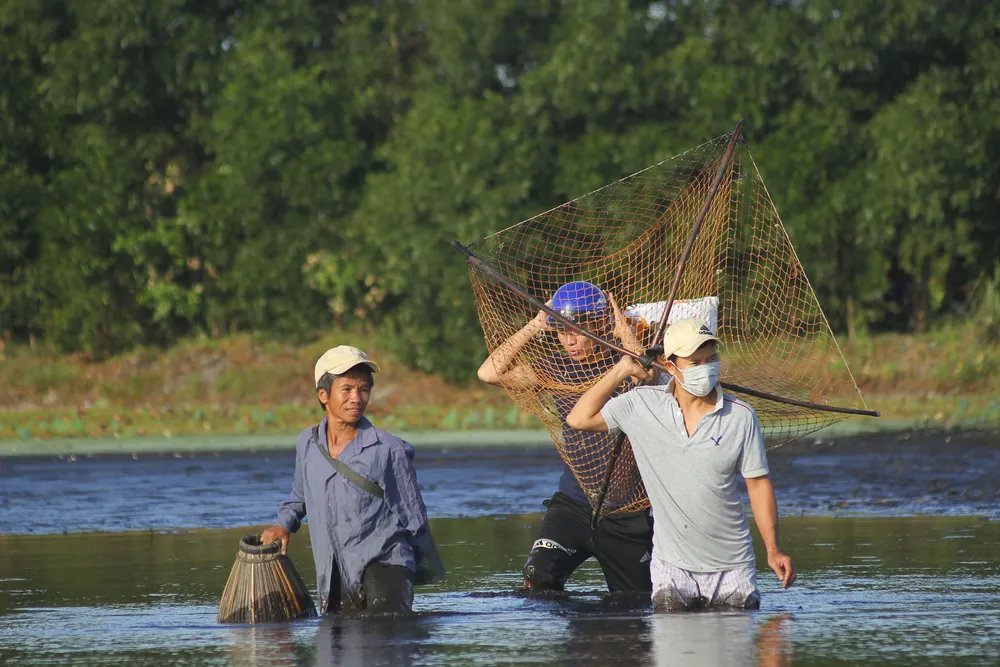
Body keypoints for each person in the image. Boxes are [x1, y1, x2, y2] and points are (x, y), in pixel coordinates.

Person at [566, 318, 796, 611]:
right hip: (671, 568)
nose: (706, 368)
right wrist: (621, 369)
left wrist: (773, 549)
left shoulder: (741, 416)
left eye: (711, 359)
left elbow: (758, 484)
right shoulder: (640, 405)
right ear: (670, 366)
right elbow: (579, 419)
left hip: (732, 566)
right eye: (695, 361)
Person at [477, 280, 654, 595]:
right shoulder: (555, 368)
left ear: (600, 324)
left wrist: (623, 332)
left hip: (627, 511)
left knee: (635, 603)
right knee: (537, 576)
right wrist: (535, 325)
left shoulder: (629, 365)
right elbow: (490, 373)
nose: (569, 341)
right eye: (561, 332)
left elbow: (650, 373)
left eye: (576, 331)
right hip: (572, 504)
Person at [260, 345, 440, 614]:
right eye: (347, 389)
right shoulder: (308, 444)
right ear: (324, 395)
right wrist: (282, 526)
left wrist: (416, 572)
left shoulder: (388, 449)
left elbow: (414, 517)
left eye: (364, 389)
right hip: (335, 573)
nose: (356, 398)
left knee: (386, 634)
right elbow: (300, 497)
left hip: (387, 566)